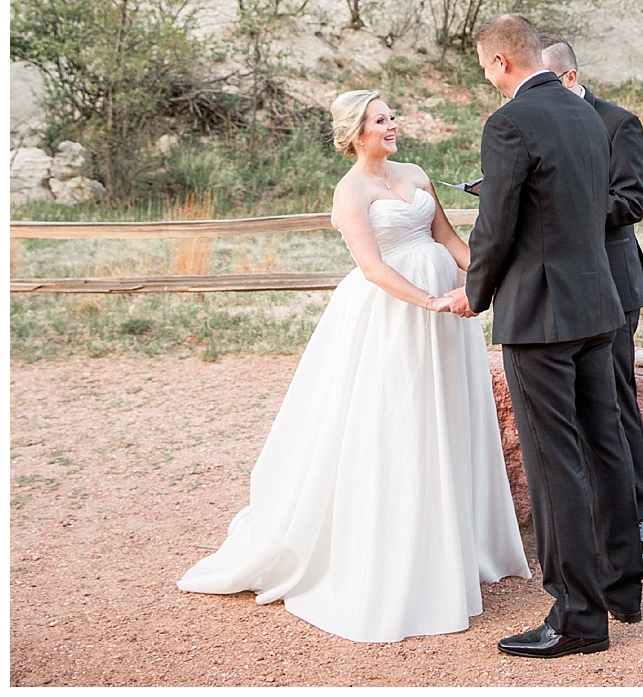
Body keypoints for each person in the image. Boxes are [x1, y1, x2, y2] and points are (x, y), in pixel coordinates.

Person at [178, 91, 528, 642]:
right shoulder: (350, 192)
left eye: (392, 116)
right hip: (394, 316)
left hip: (447, 318)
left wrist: (491, 279)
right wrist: (430, 300)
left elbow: (448, 240)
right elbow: (371, 268)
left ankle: (457, 544)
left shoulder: (415, 173)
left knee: (448, 420)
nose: (392, 125)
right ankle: (396, 553)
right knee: (398, 424)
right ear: (356, 133)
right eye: (380, 120)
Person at [441, 13, 643, 658]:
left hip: (541, 315)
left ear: (501, 61)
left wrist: (474, 293)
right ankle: (621, 585)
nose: (488, 80)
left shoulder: (508, 124)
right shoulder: (588, 113)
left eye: (484, 68)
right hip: (597, 304)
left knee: (555, 462)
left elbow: (497, 227)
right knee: (604, 442)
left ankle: (579, 616)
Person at [541, 36, 643, 564]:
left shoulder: (617, 123)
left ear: (567, 78)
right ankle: (592, 520)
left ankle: (636, 521)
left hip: (611, 278)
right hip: (560, 286)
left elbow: (630, 201)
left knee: (614, 398)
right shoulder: (540, 122)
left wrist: (566, 206)